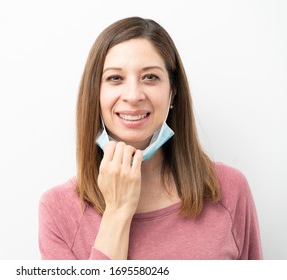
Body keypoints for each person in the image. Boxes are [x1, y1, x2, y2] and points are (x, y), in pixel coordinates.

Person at [38, 16, 262, 260]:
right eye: (115, 78)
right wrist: (117, 212)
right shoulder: (58, 211)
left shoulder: (228, 190)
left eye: (150, 77)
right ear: (96, 93)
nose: (133, 95)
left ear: (173, 91)